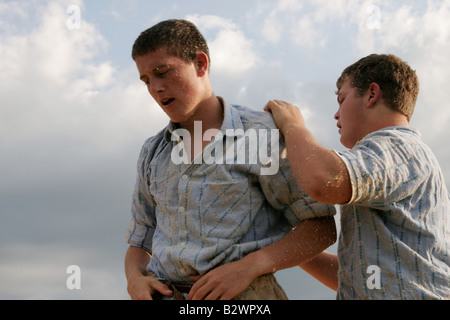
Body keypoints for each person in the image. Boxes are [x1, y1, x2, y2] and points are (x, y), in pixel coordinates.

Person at [124, 19, 337, 300]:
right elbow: (141, 239)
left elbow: (320, 228)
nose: (155, 87)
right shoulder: (153, 151)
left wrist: (251, 266)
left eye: (162, 72)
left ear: (201, 64)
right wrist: (135, 279)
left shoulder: (261, 133)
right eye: (146, 80)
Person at [265, 54, 450, 299]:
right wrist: (283, 243)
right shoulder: (396, 158)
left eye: (342, 99)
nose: (336, 114)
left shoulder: (399, 147)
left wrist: (293, 126)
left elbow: (326, 180)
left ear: (372, 94)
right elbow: (362, 277)